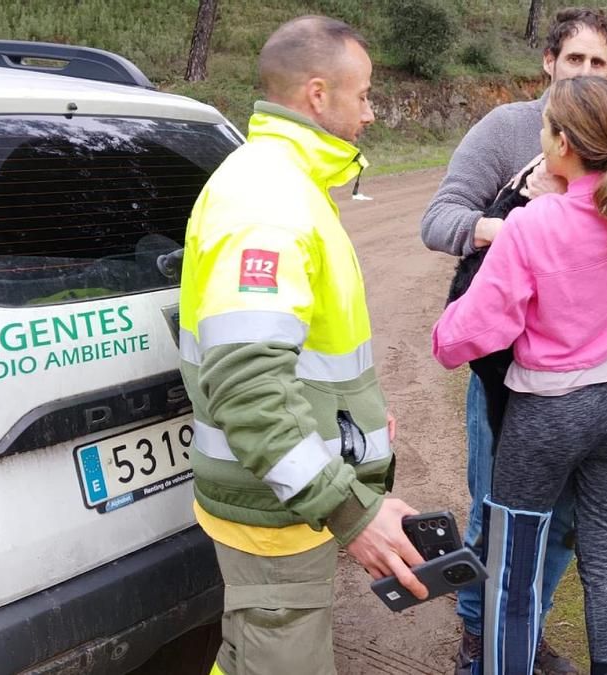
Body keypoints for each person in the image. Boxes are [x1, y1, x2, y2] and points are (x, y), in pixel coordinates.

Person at [178, 16, 428, 675]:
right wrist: (354, 513)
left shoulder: (289, 186)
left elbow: (303, 353)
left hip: (280, 496)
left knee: (249, 652)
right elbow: (248, 386)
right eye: (364, 95)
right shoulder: (268, 199)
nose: (370, 113)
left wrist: (354, 419)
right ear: (318, 94)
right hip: (273, 506)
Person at [434, 76, 607, 675]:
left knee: (512, 566)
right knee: (602, 551)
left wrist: (533, 205)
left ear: (561, 144)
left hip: (550, 413)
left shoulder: (533, 226)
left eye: (545, 129)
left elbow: (458, 340)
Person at [419, 8, 607, 674]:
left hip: (586, 368)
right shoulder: (507, 129)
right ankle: (480, 635)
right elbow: (438, 220)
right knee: (496, 513)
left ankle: (524, 626)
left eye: (598, 63)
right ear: (549, 62)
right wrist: (515, 230)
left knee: (563, 518)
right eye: (574, 59)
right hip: (505, 369)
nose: (585, 72)